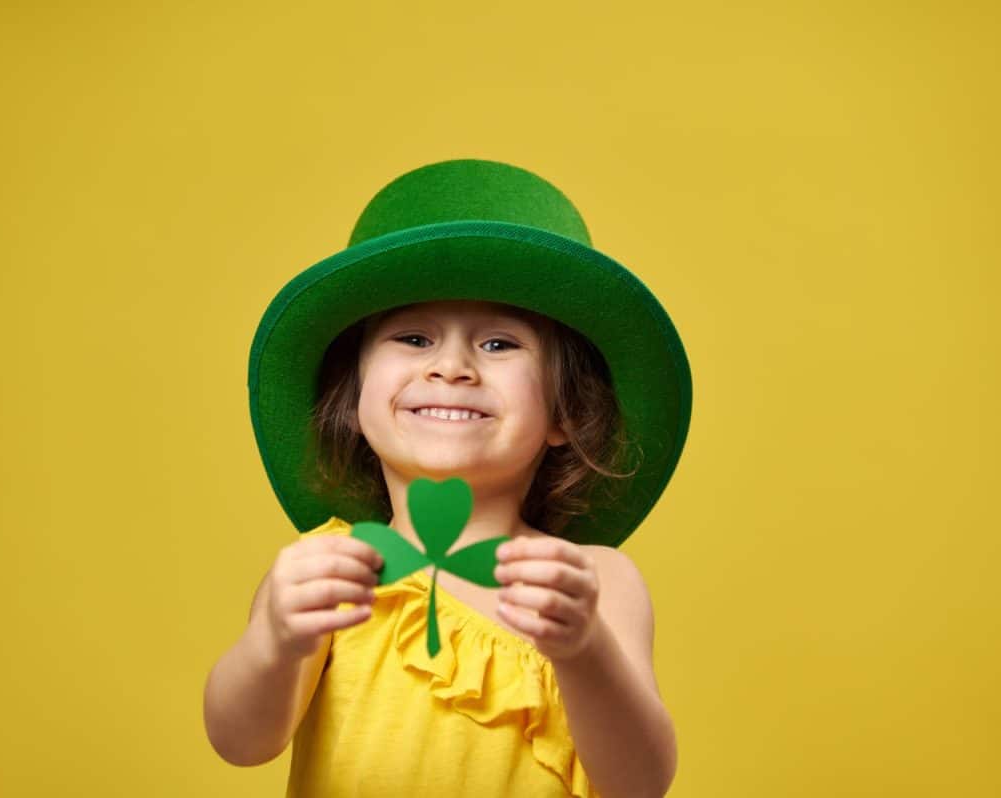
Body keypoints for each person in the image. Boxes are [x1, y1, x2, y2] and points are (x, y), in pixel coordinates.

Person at [203, 158, 693, 798]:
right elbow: (242, 744)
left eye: (499, 344)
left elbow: (640, 784)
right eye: (412, 338)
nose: (452, 367)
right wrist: (274, 641)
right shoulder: (329, 567)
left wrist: (584, 651)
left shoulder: (597, 582)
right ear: (353, 402)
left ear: (565, 414)